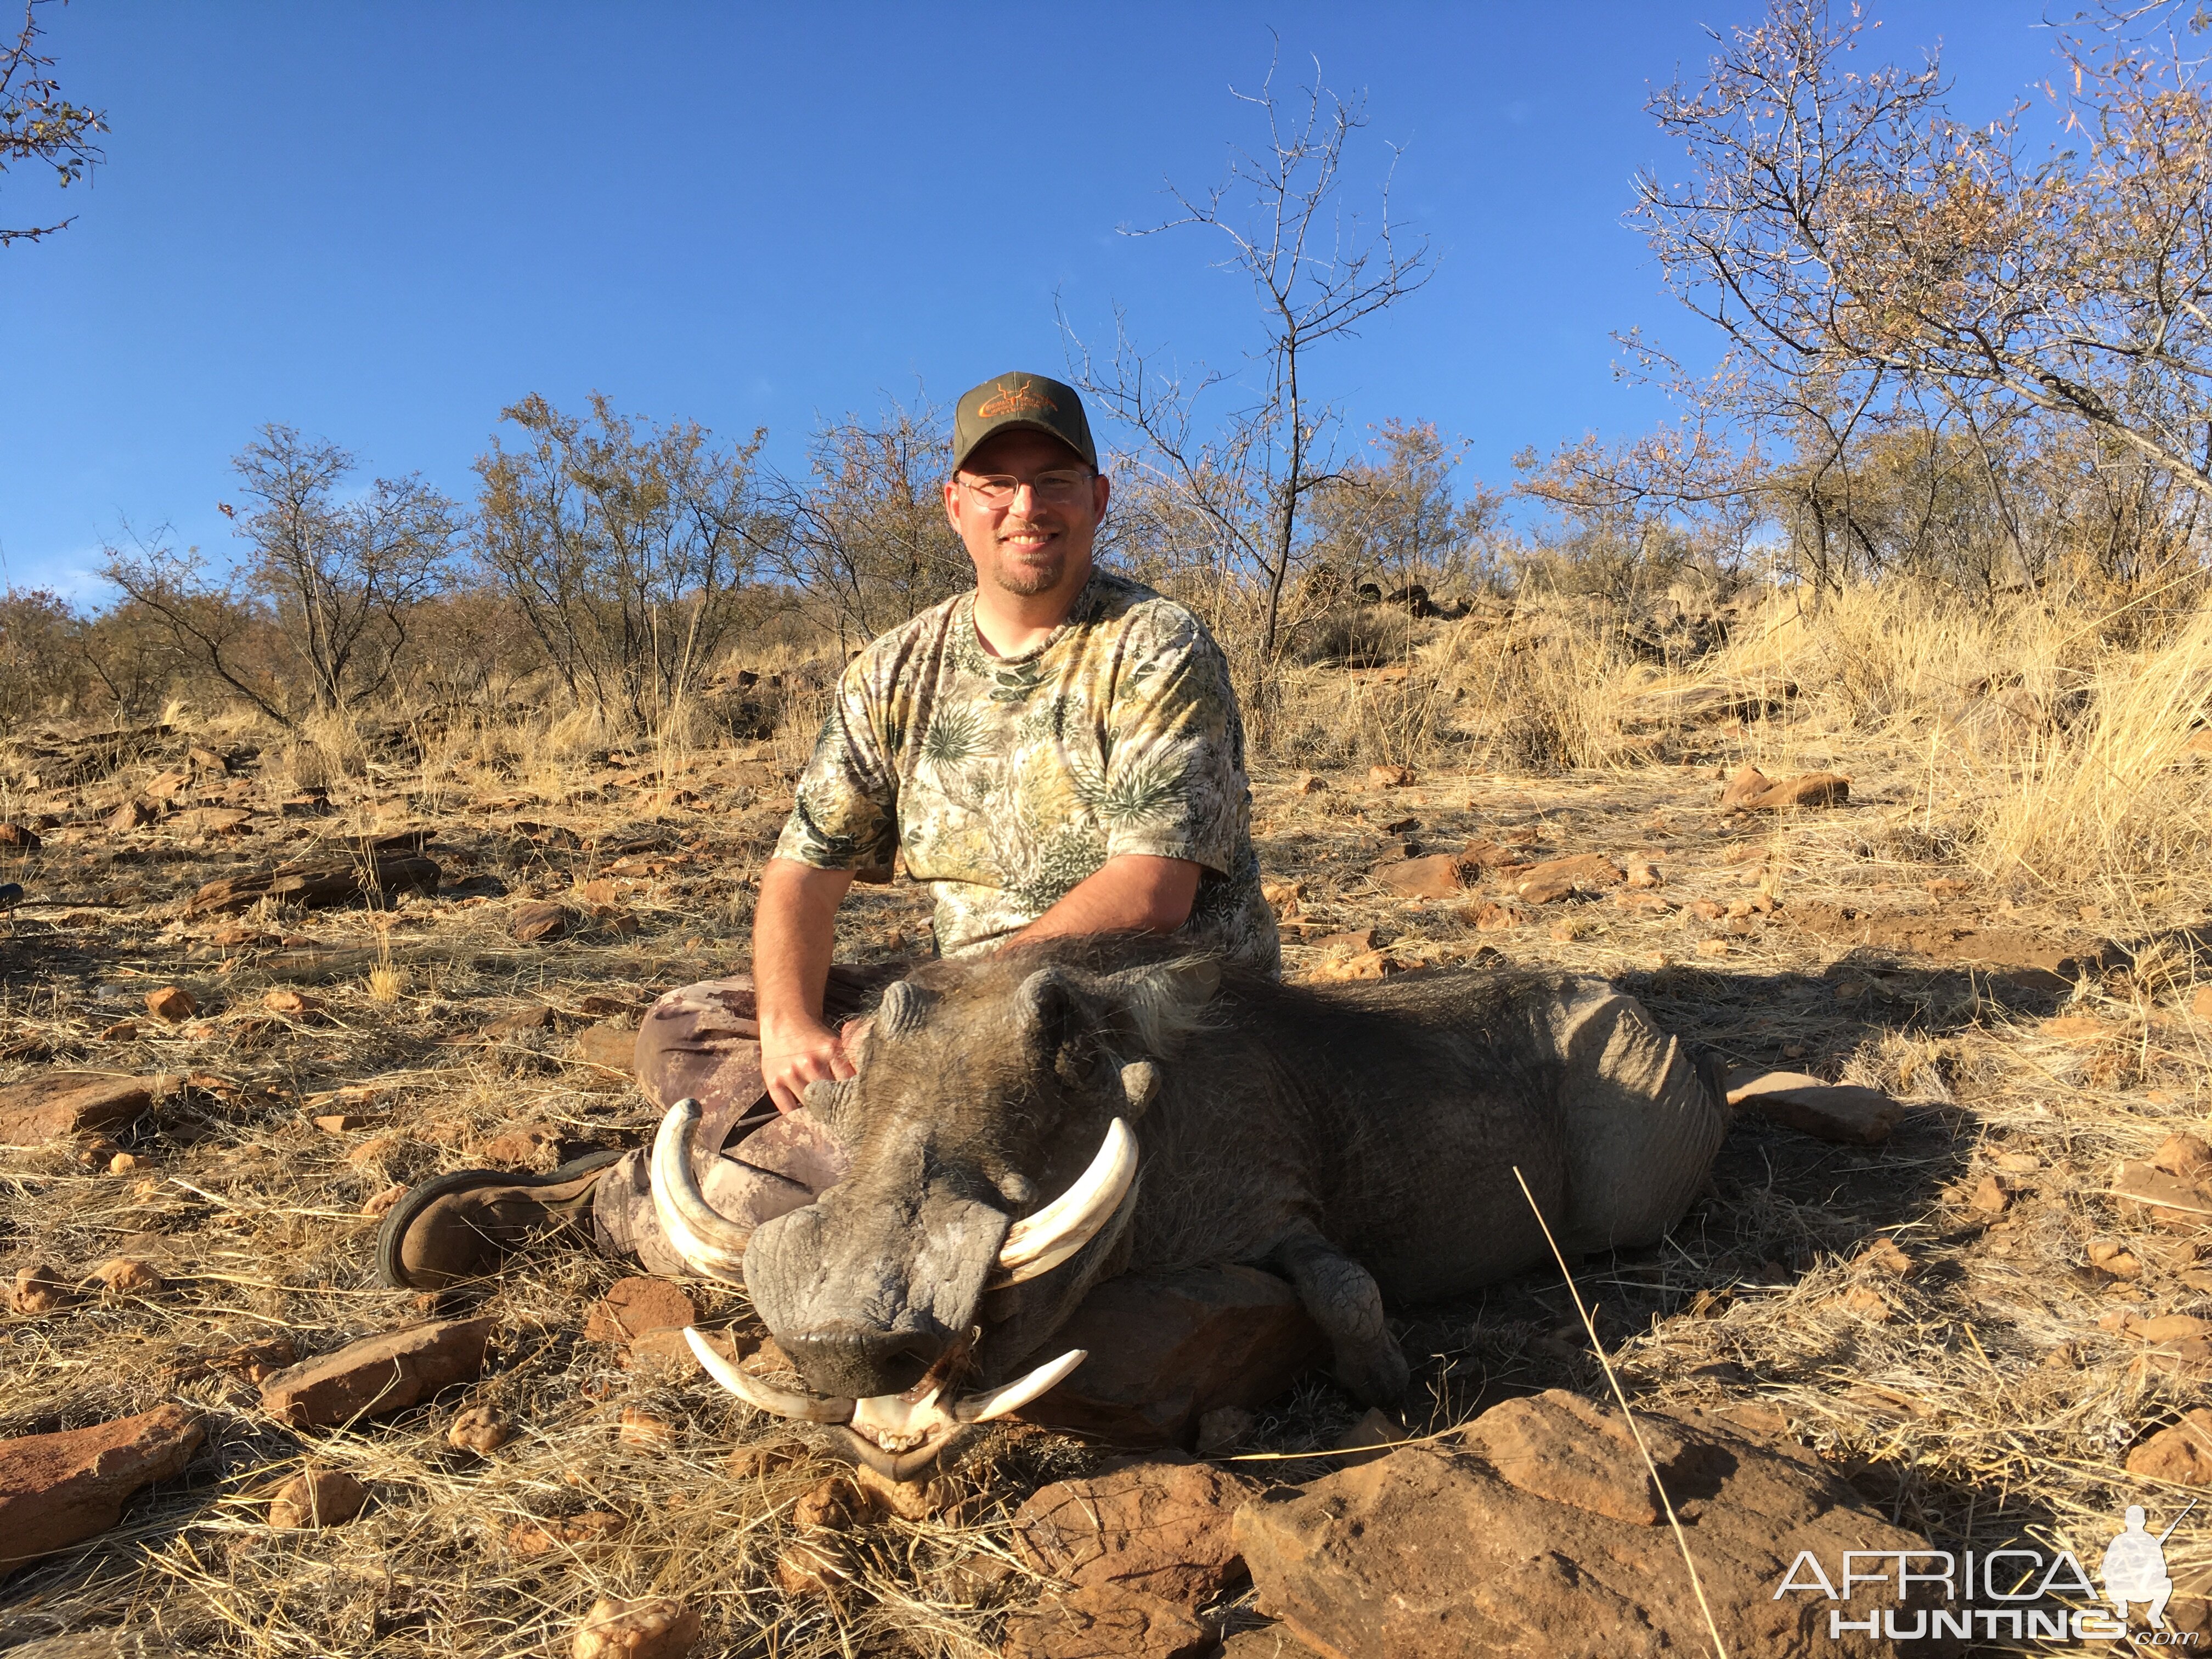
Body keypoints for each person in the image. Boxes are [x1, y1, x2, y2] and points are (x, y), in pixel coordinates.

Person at [378, 370, 1277, 1288]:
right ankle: (787, 1137)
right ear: (953, 505)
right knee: (678, 1028)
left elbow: (1151, 893)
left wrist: (908, 1025)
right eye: (995, 484)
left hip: (1134, 1016)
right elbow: (803, 871)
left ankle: (617, 1203)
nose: (1025, 507)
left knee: (777, 1201)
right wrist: (790, 1027)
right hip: (950, 1009)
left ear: (1098, 497)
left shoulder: (1159, 644)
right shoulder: (892, 670)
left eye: (1052, 480)